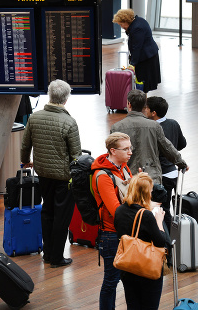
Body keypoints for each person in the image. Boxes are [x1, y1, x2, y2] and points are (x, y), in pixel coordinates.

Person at [20, 79, 81, 268]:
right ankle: (57, 257)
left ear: (49, 95)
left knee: (47, 211)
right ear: (66, 99)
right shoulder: (69, 122)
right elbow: (76, 156)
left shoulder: (34, 117)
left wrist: (25, 161)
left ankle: (47, 254)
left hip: (43, 173)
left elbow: (25, 146)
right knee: (61, 217)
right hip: (63, 177)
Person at [110, 90, 188, 185]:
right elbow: (167, 148)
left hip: (127, 178)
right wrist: (181, 163)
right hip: (151, 178)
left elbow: (112, 153)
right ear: (144, 106)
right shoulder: (154, 126)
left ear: (129, 104)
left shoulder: (117, 127)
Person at [91, 132, 133, 310]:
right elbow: (116, 211)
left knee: (129, 279)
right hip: (111, 236)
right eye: (126, 149)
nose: (130, 152)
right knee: (111, 281)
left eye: (130, 148)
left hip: (125, 232)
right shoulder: (102, 176)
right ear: (113, 151)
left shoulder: (124, 167)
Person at [114, 173, 167, 310]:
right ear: (145, 193)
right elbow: (161, 241)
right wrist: (159, 222)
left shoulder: (119, 210)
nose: (151, 194)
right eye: (150, 191)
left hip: (127, 267)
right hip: (146, 268)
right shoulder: (147, 216)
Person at [145, 96, 186, 227]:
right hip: (173, 173)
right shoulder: (173, 123)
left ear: (153, 113)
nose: (144, 110)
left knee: (162, 210)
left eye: (146, 108)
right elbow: (182, 144)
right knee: (168, 208)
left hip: (161, 176)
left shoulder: (152, 128)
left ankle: (165, 240)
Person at [112, 9, 161, 93]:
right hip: (148, 55)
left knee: (142, 82)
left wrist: (132, 64)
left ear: (126, 20)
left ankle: (142, 103)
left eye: (121, 24)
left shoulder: (137, 28)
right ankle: (142, 102)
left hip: (146, 57)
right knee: (143, 83)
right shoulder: (139, 21)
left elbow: (137, 47)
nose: (121, 27)